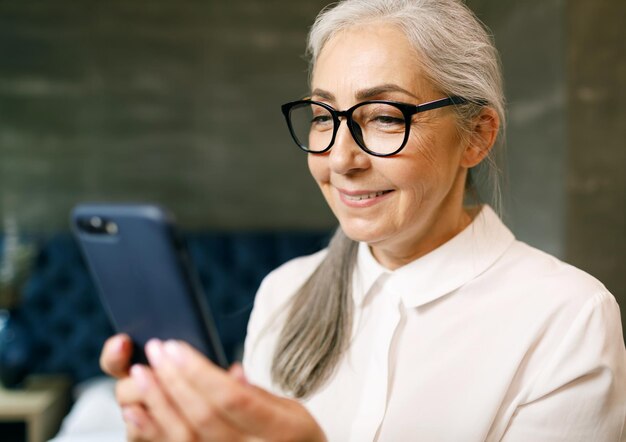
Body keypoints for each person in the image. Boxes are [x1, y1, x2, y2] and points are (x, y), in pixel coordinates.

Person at [101, 0, 626, 440]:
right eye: (324, 117)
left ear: (477, 136)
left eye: (383, 117)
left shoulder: (567, 318)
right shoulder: (284, 293)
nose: (340, 160)